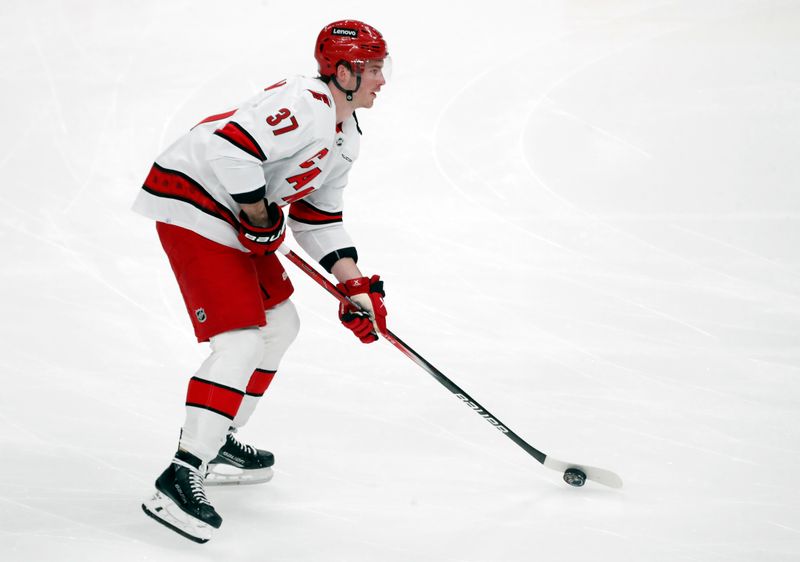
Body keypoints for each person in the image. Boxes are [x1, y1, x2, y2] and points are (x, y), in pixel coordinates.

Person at [133, 20, 390, 544]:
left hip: (236, 215)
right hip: (195, 204)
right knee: (241, 339)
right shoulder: (303, 104)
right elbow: (231, 149)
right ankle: (180, 475)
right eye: (372, 69)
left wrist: (355, 284)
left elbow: (319, 219)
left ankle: (220, 436)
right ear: (342, 72)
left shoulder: (346, 137)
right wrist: (256, 213)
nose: (381, 80)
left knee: (281, 324)